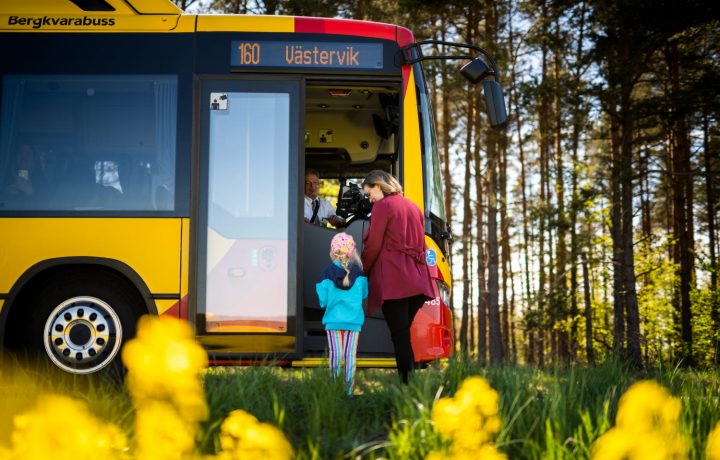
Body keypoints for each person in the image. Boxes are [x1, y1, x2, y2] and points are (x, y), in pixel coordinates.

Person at [360, 170, 434, 384]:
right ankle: (408, 385)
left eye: (369, 192)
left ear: (379, 185)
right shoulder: (412, 206)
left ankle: (407, 385)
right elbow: (421, 243)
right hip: (417, 280)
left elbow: (374, 244)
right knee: (403, 334)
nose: (369, 198)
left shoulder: (382, 206)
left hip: (395, 280)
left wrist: (363, 269)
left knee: (400, 336)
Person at [315, 232, 368, 396]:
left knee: (335, 357)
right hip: (354, 322)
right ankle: (348, 393)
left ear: (333, 252)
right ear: (352, 252)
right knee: (350, 357)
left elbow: (322, 301)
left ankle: (334, 392)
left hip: (333, 322)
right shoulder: (360, 274)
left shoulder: (326, 273)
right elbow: (365, 295)